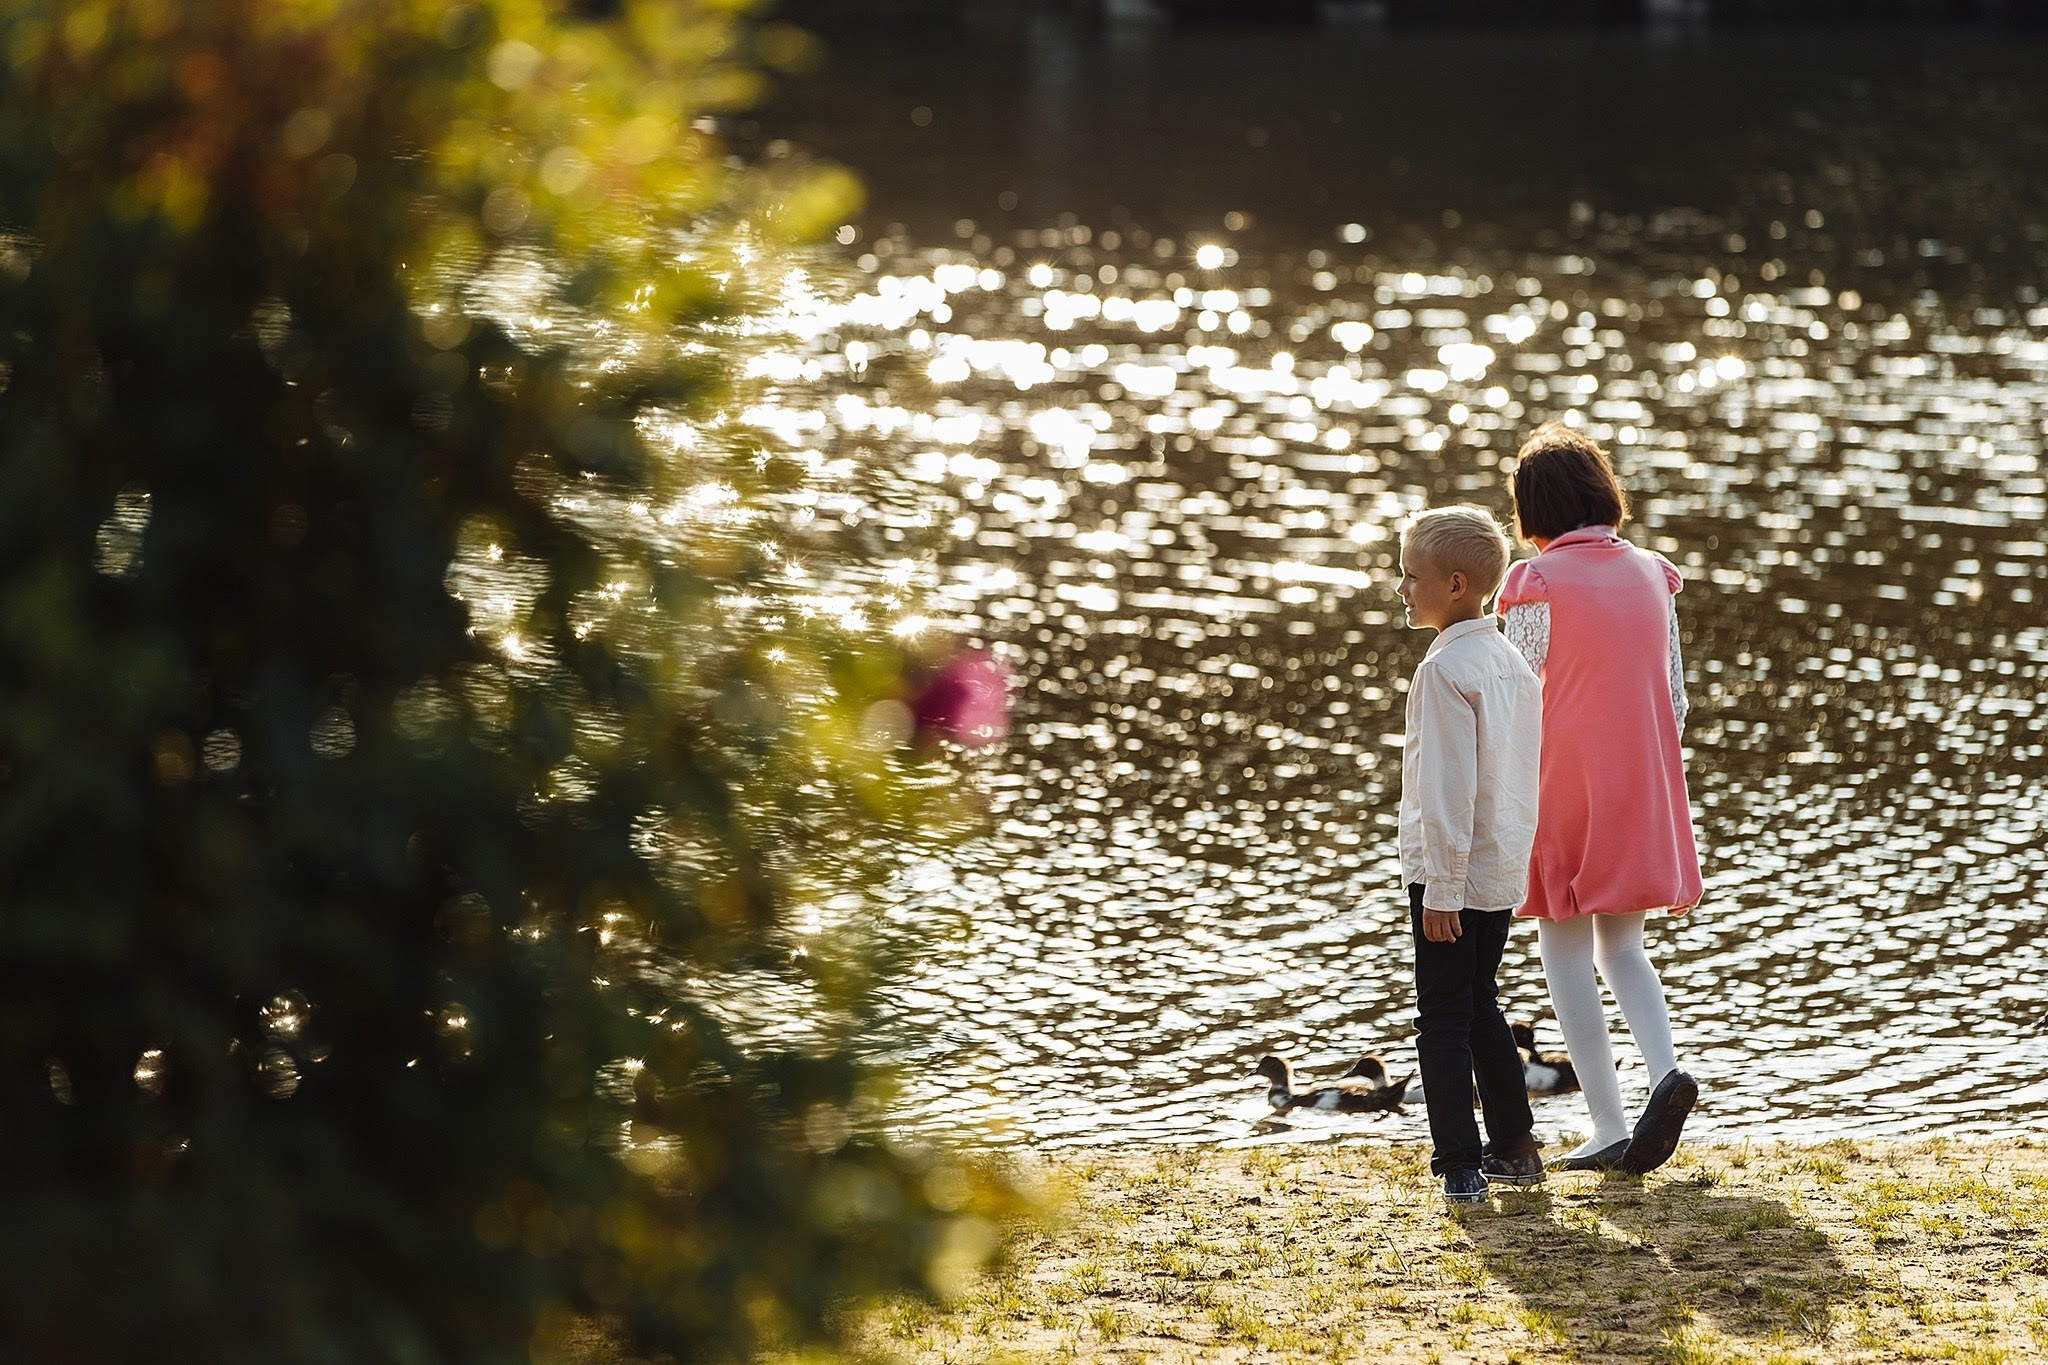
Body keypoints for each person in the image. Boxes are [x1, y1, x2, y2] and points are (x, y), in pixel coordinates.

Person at [1497, 423, 1703, 1175]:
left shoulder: (1536, 579)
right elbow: (1675, 698)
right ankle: (1667, 1074)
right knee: (1625, 947)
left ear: (1532, 509)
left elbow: (1514, 690)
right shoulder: (1654, 570)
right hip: (1644, 781)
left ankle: (1609, 1123)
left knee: (1563, 950)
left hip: (1561, 782)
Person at [1395, 505, 1545, 1206]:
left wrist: (1442, 890)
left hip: (1450, 875)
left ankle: (1459, 1158)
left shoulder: (1446, 670)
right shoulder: (1509, 659)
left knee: (1443, 1016)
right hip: (1499, 866)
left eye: (1411, 576)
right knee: (1480, 1001)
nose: (1401, 589)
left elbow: (1448, 791)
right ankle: (1515, 1143)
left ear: (1455, 584)